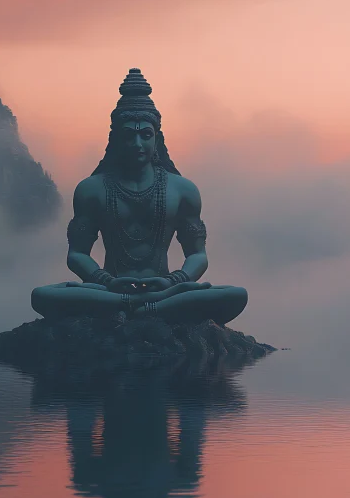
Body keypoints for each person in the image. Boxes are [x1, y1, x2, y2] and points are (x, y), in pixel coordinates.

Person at [31, 68, 247, 325]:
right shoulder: (91, 189)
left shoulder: (183, 190)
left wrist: (174, 281)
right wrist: (107, 280)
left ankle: (139, 304)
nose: (137, 144)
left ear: (157, 139)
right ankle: (150, 306)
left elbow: (198, 255)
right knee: (42, 295)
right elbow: (77, 253)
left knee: (236, 295)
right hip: (111, 287)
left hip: (164, 286)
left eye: (145, 135)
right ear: (115, 139)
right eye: (128, 135)